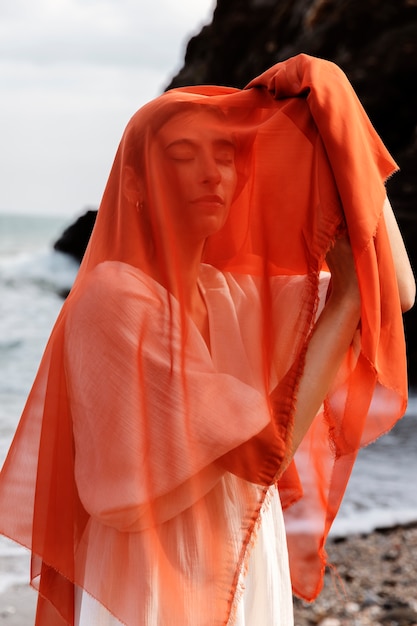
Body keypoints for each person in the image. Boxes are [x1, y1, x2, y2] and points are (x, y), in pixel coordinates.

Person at [0, 54, 414, 626]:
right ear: (138, 184)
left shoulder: (231, 294)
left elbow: (396, 289)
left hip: (240, 552)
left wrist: (338, 105)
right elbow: (262, 450)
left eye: (225, 155)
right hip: (150, 575)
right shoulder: (116, 296)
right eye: (181, 156)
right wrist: (342, 298)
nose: (210, 172)